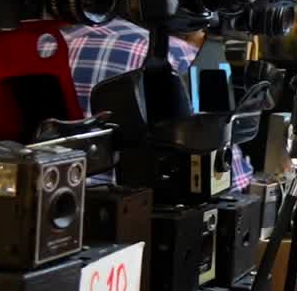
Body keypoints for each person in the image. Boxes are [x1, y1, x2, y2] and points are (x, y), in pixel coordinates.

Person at [62, 17, 253, 189]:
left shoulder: (51, 43)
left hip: (53, 209)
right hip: (144, 218)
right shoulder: (182, 55)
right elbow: (231, 179)